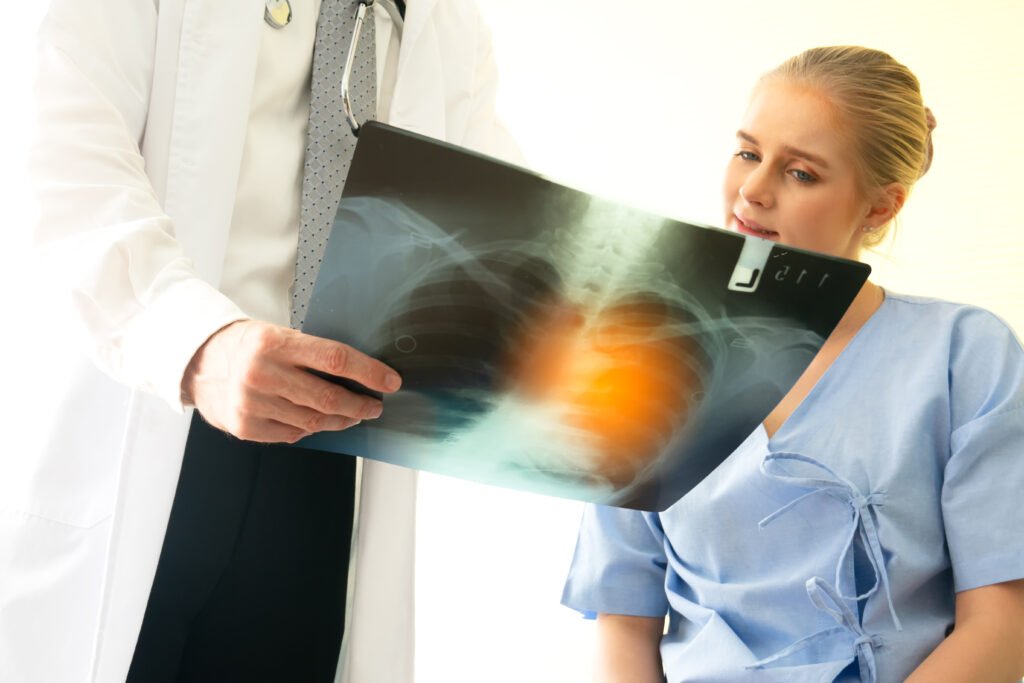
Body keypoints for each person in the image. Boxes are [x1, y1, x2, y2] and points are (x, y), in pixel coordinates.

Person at [1, 0, 518, 681]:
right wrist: (200, 342)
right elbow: (63, 161)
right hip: (148, 404)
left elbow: (498, 220)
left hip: (321, 460)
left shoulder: (440, 24)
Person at [562, 46, 1024, 682]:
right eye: (748, 153)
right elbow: (623, 623)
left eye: (800, 173)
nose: (752, 190)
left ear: (880, 206)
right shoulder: (646, 358)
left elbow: (1004, 620)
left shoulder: (965, 355)